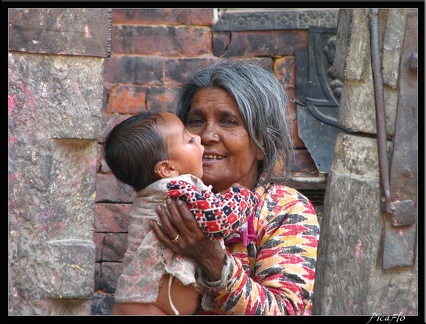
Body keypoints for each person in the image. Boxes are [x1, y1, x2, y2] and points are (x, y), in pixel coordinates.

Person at [147, 59, 321, 315]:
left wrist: (209, 254)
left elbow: (285, 310)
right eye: (196, 121)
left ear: (262, 143)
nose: (207, 135)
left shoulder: (285, 210)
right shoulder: (167, 197)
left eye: (228, 121)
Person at [103, 111, 258, 315]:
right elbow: (218, 219)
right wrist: (242, 195)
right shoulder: (179, 188)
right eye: (189, 140)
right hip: (148, 306)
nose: (199, 137)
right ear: (167, 169)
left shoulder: (156, 192)